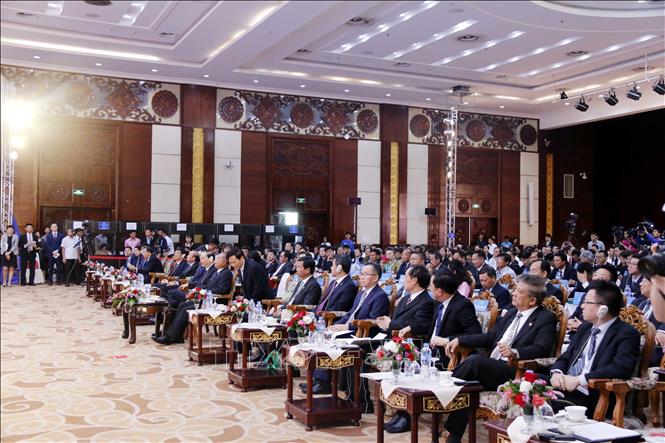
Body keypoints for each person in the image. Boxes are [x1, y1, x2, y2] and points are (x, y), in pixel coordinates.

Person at [443, 274, 557, 442]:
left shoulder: (545, 318)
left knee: (474, 362)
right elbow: (489, 338)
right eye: (514, 289)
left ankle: (444, 389)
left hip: (514, 372)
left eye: (519, 291)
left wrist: (515, 352)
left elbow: (541, 348)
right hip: (492, 367)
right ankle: (453, 435)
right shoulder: (511, 313)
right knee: (469, 386)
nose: (513, 293)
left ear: (532, 300)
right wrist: (460, 339)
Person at [549, 280, 640, 416]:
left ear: (603, 309)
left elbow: (621, 368)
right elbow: (567, 356)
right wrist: (557, 373)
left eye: (587, 302)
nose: (582, 306)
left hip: (594, 396)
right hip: (566, 387)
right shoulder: (585, 327)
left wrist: (580, 380)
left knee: (539, 400)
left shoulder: (626, 334)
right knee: (526, 385)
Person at [154, 252, 233, 345]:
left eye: (217, 259)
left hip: (215, 302)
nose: (215, 261)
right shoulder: (217, 272)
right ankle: (176, 335)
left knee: (185, 309)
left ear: (224, 262)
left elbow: (222, 289)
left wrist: (204, 291)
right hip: (205, 299)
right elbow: (206, 285)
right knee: (182, 305)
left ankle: (170, 336)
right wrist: (201, 291)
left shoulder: (226, 273)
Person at [376, 265, 436, 338]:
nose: (403, 281)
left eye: (405, 277)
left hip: (407, 341)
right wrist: (384, 323)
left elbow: (416, 325)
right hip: (389, 337)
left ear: (414, 280)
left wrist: (390, 323)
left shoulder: (427, 302)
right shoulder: (404, 299)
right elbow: (396, 320)